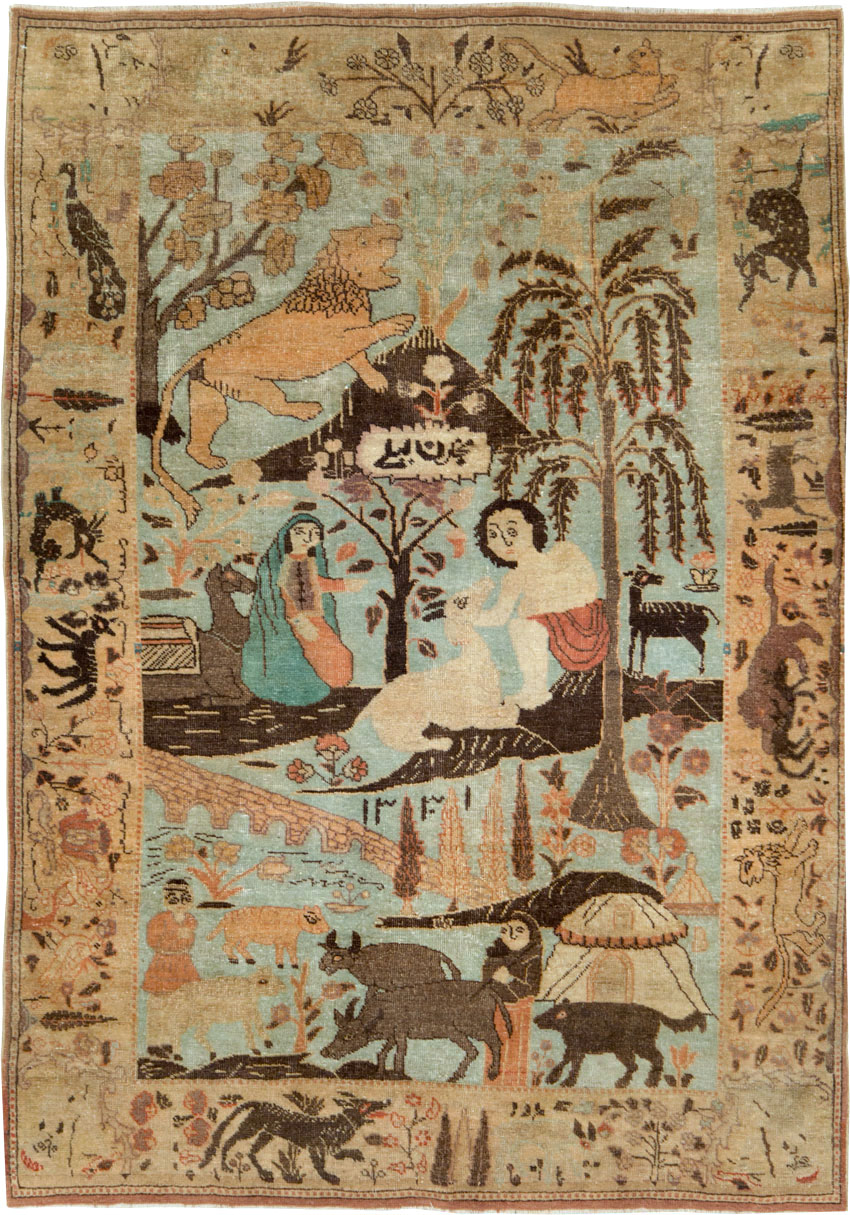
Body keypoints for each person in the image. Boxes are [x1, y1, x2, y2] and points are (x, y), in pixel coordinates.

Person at [474, 498, 609, 709]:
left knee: (526, 624)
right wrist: (466, 616)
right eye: (493, 535)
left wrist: (541, 607)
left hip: (585, 625)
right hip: (554, 629)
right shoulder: (513, 577)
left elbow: (588, 589)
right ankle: (533, 689)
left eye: (512, 531)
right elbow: (498, 616)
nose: (505, 541)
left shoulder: (564, 552)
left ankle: (536, 692)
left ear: (532, 527)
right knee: (519, 625)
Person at [241, 514, 364, 705]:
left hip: (315, 616)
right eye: (300, 532)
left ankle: (328, 688)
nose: (307, 537)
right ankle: (306, 689)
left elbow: (315, 584)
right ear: (288, 537)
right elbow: (283, 594)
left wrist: (344, 585)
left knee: (338, 654)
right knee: (315, 653)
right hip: (295, 619)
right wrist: (299, 621)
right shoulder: (284, 563)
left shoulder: (309, 561)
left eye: (314, 533)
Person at [482, 912, 543, 1085]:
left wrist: (509, 979)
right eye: (506, 930)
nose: (512, 935)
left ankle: (513, 1084)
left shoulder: (532, 958)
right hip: (494, 1009)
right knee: (493, 1047)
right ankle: (491, 1084)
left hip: (518, 1012)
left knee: (513, 1048)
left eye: (519, 930)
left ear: (531, 934)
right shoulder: (496, 956)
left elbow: (532, 989)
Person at [142, 878, 200, 1056]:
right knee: (158, 1004)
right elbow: (153, 941)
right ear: (166, 900)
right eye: (174, 900)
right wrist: (174, 939)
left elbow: (189, 942)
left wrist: (184, 938)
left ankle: (168, 1041)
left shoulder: (190, 919)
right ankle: (153, 1043)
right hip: (163, 964)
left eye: (185, 899)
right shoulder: (159, 919)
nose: (180, 904)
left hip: (183, 964)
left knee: (177, 1006)